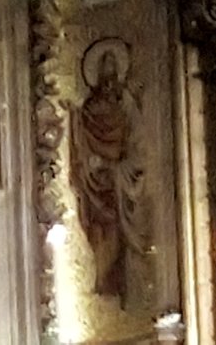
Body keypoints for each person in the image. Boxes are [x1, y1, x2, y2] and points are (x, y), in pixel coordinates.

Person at [71, 42, 144, 302]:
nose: (109, 77)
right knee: (100, 232)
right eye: (104, 69)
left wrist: (115, 168)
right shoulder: (88, 110)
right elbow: (82, 144)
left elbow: (138, 147)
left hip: (118, 182)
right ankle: (102, 283)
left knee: (116, 233)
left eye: (113, 69)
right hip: (95, 185)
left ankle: (121, 288)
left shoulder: (127, 107)